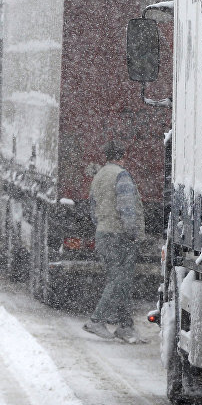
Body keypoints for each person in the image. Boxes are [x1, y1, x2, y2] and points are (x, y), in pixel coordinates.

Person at [83, 141, 146, 343]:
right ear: (122, 156)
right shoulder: (122, 176)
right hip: (120, 236)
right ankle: (96, 320)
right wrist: (133, 233)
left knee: (121, 281)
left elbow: (92, 208)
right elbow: (127, 208)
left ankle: (126, 326)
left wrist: (102, 224)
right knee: (119, 280)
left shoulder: (99, 176)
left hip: (103, 233)